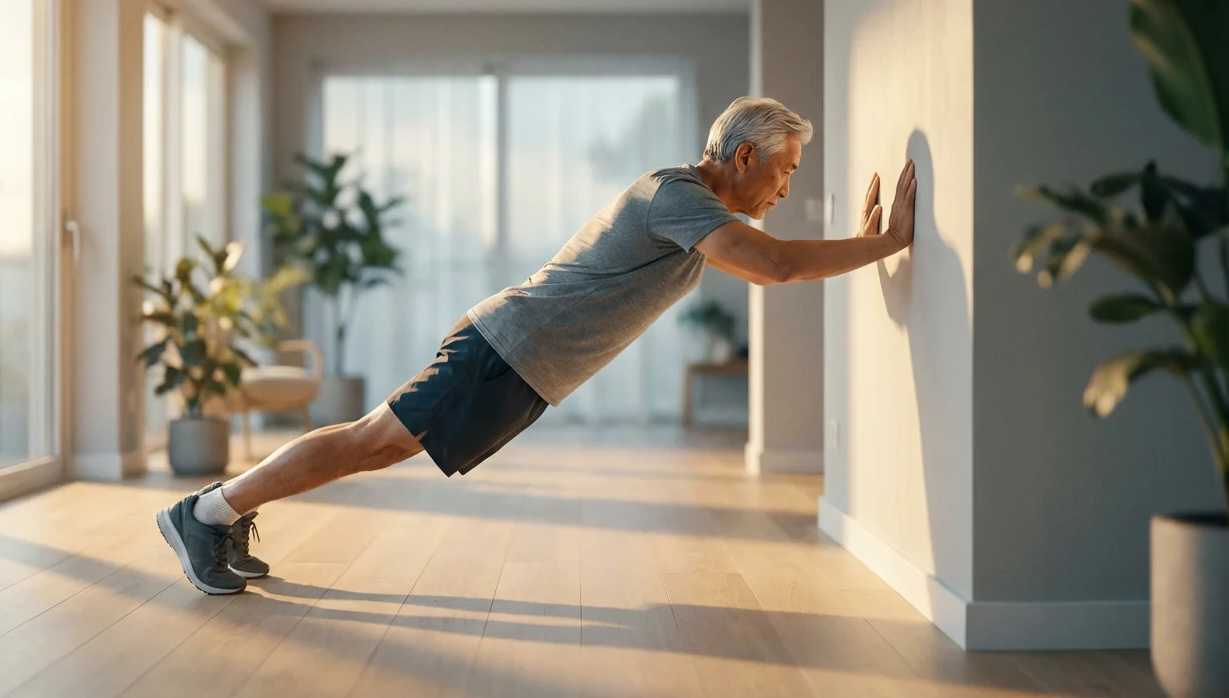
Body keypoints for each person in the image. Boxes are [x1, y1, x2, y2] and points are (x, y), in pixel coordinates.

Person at [156, 96, 918, 594]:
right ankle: (207, 512)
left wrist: (863, 243)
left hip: (524, 363)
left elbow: (766, 261)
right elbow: (775, 266)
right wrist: (879, 242)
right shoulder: (678, 195)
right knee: (372, 442)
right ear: (742, 157)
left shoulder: (696, 215)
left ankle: (218, 515)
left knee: (379, 446)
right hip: (505, 344)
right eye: (783, 174)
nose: (783, 193)